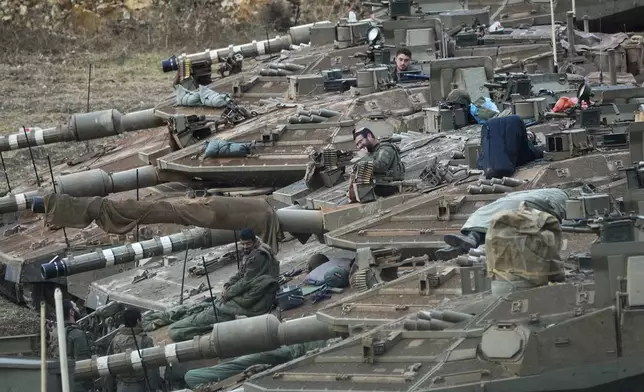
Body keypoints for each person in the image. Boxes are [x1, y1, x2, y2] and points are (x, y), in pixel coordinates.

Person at [150, 228, 280, 342]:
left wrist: (227, 294)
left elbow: (245, 282)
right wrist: (227, 285)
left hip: (253, 303)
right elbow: (241, 274)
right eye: (243, 244)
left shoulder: (258, 256)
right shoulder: (254, 251)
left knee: (175, 330)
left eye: (248, 244)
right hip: (247, 298)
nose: (245, 247)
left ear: (254, 242)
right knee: (201, 306)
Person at [106, 308, 162, 392]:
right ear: (138, 321)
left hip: (121, 386)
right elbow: (152, 369)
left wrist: (110, 388)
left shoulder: (115, 340)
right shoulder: (145, 340)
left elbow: (108, 365)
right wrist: (153, 388)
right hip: (140, 385)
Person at [351, 127, 405, 198]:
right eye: (357, 144)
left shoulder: (386, 148)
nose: (360, 146)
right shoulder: (372, 152)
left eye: (361, 141)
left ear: (369, 136)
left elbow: (381, 166)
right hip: (377, 186)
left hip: (389, 188)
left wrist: (366, 156)